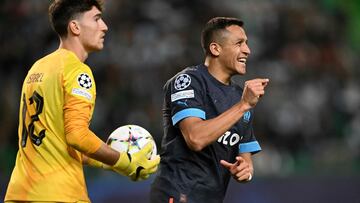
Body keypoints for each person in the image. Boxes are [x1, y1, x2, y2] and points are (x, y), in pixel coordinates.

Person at [4, 0, 160, 202]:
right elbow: (77, 136)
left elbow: (58, 142)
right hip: (59, 194)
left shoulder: (37, 68)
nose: (104, 26)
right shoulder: (77, 71)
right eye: (96, 19)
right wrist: (123, 161)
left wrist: (107, 162)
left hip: (19, 191)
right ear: (75, 27)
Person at [150, 17, 269, 203]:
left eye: (246, 43)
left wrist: (245, 172)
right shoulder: (189, 81)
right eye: (239, 43)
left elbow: (245, 160)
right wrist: (243, 105)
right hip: (178, 195)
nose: (247, 50)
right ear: (215, 49)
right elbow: (195, 138)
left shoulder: (242, 97)